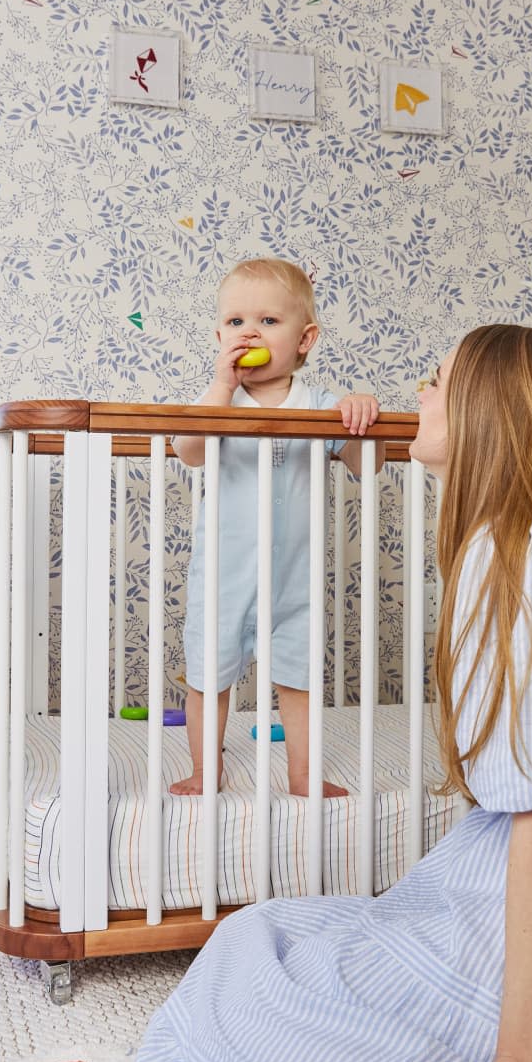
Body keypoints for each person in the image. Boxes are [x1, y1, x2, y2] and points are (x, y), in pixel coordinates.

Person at [130, 323, 532, 1062]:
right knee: (261, 937)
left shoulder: (524, 560)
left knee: (237, 1004)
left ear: (490, 414)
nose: (422, 397)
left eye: (437, 382)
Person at [170, 258, 385, 798]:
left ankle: (303, 776)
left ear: (304, 338)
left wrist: (360, 415)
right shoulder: (218, 403)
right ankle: (206, 770)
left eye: (268, 322)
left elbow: (368, 465)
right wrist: (220, 385)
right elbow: (188, 450)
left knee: (300, 679)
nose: (249, 333)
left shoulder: (319, 406)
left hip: (297, 578)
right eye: (236, 322)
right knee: (208, 677)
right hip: (224, 572)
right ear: (219, 335)